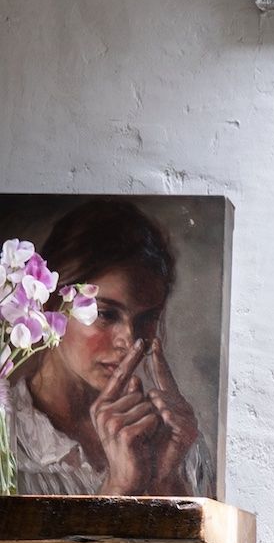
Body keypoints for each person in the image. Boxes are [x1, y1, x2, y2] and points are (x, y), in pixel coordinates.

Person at [2, 199, 211, 496]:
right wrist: (119, 487)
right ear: (50, 307)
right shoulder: (8, 439)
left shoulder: (175, 437)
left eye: (147, 317)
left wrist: (165, 477)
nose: (130, 339)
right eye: (107, 314)